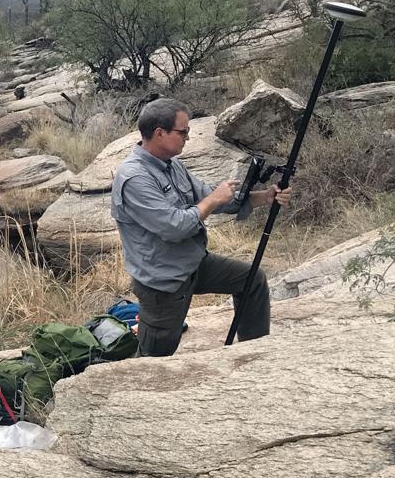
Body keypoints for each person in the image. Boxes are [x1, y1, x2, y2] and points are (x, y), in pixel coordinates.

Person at [111, 98, 292, 357]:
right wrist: (213, 199)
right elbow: (175, 227)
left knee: (252, 281)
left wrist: (264, 197)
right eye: (183, 132)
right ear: (160, 133)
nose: (188, 137)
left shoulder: (173, 165)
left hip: (194, 263)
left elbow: (210, 199)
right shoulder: (134, 178)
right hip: (163, 282)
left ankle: (254, 356)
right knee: (155, 358)